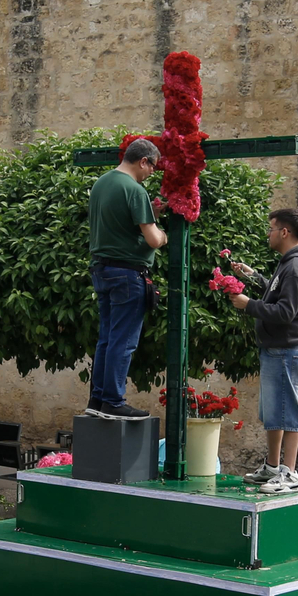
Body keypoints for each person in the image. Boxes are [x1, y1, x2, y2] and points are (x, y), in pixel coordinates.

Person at [229, 208, 298, 494]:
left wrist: (249, 305)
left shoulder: (296, 267)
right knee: (274, 412)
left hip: (287, 349)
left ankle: (289, 473)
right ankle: (271, 467)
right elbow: (279, 293)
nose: (268, 233)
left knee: (287, 410)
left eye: (271, 228)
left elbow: (285, 312)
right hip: (279, 348)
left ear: (284, 232)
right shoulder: (291, 263)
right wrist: (254, 277)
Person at [86, 138, 168, 421]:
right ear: (143, 161)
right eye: (153, 167)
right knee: (123, 341)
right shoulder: (135, 190)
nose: (152, 173)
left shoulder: (102, 183)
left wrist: (150, 215)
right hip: (128, 274)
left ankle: (97, 400)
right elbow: (153, 239)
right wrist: (163, 232)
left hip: (102, 269)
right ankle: (113, 401)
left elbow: (118, 225)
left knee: (107, 339)